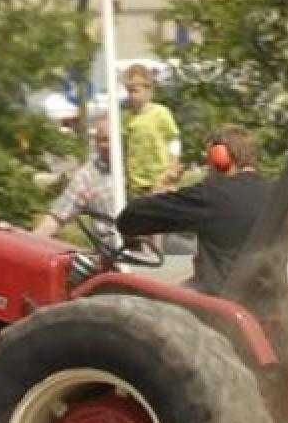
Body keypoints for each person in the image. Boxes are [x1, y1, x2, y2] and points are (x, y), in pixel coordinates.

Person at [116, 125, 275, 296]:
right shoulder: (278, 194)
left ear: (220, 158)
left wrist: (165, 183)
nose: (208, 169)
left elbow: (131, 217)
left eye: (209, 161)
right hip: (269, 301)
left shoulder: (212, 196)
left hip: (219, 304)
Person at [33, 119, 117, 239]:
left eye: (114, 139)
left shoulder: (136, 167)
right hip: (113, 251)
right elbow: (58, 215)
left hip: (148, 251)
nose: (110, 145)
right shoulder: (87, 176)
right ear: (96, 142)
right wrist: (32, 241)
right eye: (105, 139)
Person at [121, 63, 182, 195]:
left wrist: (174, 165)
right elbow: (125, 145)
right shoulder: (127, 118)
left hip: (161, 178)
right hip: (137, 181)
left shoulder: (161, 113)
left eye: (135, 91)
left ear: (148, 90)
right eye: (129, 91)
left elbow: (174, 139)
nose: (131, 95)